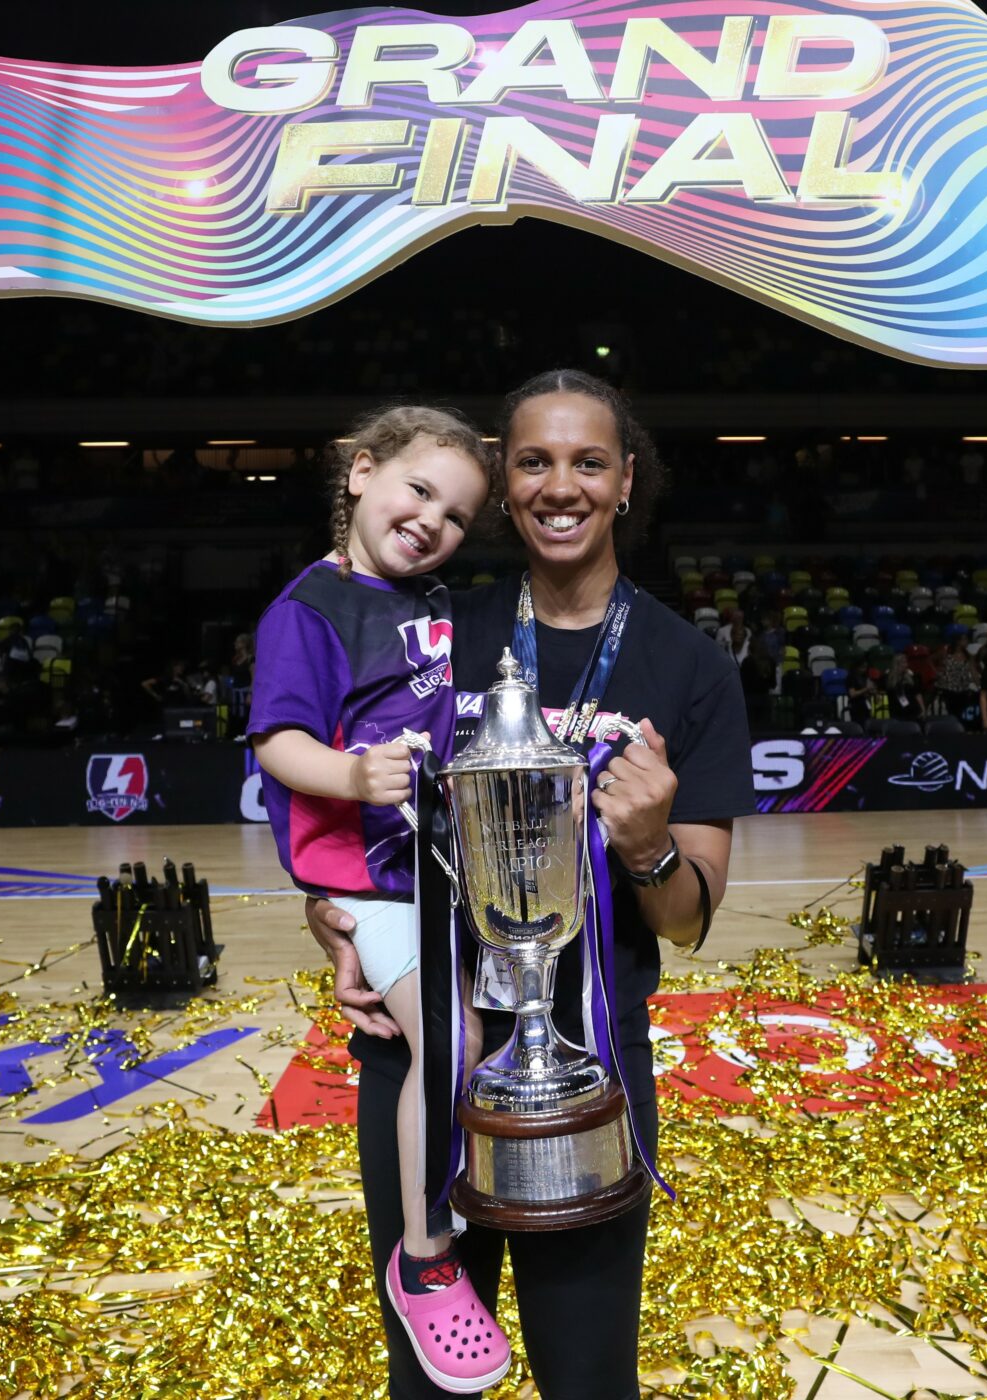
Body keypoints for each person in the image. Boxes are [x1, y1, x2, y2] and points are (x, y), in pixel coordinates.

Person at [307, 370, 752, 1399]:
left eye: (588, 461)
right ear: (504, 486)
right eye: (535, 461)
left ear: (626, 480)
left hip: (589, 1064)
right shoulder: (427, 632)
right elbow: (346, 810)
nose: (563, 485)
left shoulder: (687, 665)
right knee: (428, 1382)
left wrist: (645, 845)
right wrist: (336, 923)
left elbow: (687, 920)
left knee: (588, 1376)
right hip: (428, 1054)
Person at [248, 406, 509, 1394]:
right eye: (418, 489)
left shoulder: (433, 600)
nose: (433, 519)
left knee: (472, 1034)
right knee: (451, 1038)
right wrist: (354, 780)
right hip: (369, 882)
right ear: (360, 472)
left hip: (441, 875)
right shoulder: (309, 608)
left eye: (456, 513)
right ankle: (427, 1255)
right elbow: (278, 739)